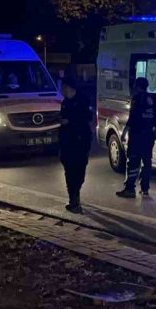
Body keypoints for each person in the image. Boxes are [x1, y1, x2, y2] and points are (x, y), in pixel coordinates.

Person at [117, 77, 156, 199]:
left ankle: (130, 189)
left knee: (133, 162)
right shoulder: (152, 98)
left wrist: (124, 132)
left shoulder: (136, 99)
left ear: (137, 86)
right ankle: (145, 188)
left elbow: (133, 117)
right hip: (148, 135)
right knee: (147, 161)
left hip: (137, 135)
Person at [59, 77, 92, 214]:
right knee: (69, 171)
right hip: (67, 142)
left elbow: (87, 118)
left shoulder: (82, 101)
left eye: (64, 87)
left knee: (80, 171)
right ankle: (73, 199)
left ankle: (76, 193)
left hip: (80, 140)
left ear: (70, 88)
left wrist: (70, 121)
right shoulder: (65, 102)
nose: (62, 90)